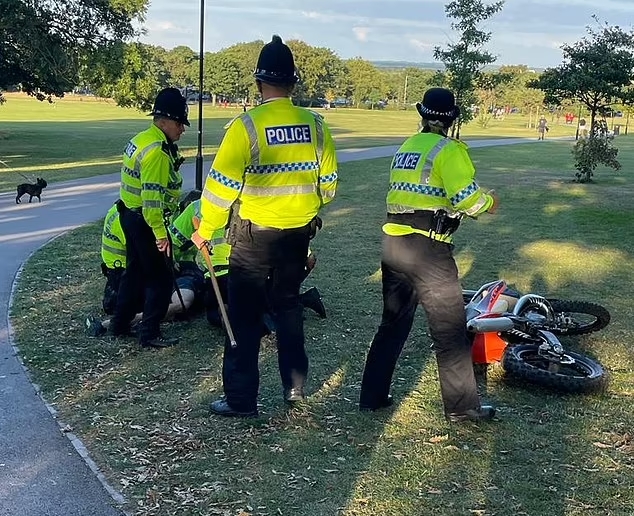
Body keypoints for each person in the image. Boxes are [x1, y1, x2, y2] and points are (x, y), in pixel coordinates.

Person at [191, 35, 338, 417]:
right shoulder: (316, 126)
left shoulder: (246, 128)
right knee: (288, 309)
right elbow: (329, 188)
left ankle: (241, 400)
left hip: (254, 240)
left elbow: (220, 190)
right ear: (293, 83)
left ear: (259, 84)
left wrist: (205, 230)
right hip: (296, 239)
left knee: (243, 317)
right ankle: (295, 387)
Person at [358, 87, 498, 423]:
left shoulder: (407, 147)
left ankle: (372, 397)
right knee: (449, 330)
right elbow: (467, 199)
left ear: (422, 115)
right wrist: (489, 203)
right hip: (429, 249)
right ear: (452, 118)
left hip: (394, 245)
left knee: (392, 325)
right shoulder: (449, 150)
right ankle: (463, 408)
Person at [109, 87, 188, 349]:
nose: (182, 129)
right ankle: (150, 333)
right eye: (179, 123)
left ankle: (120, 324)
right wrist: (161, 235)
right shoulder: (156, 152)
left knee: (134, 273)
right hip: (146, 220)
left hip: (129, 215)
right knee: (160, 278)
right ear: (163, 120)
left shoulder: (141, 140)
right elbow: (152, 201)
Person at [100, 201, 128, 315]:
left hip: (114, 267)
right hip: (122, 269)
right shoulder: (123, 219)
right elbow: (139, 248)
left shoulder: (116, 209)